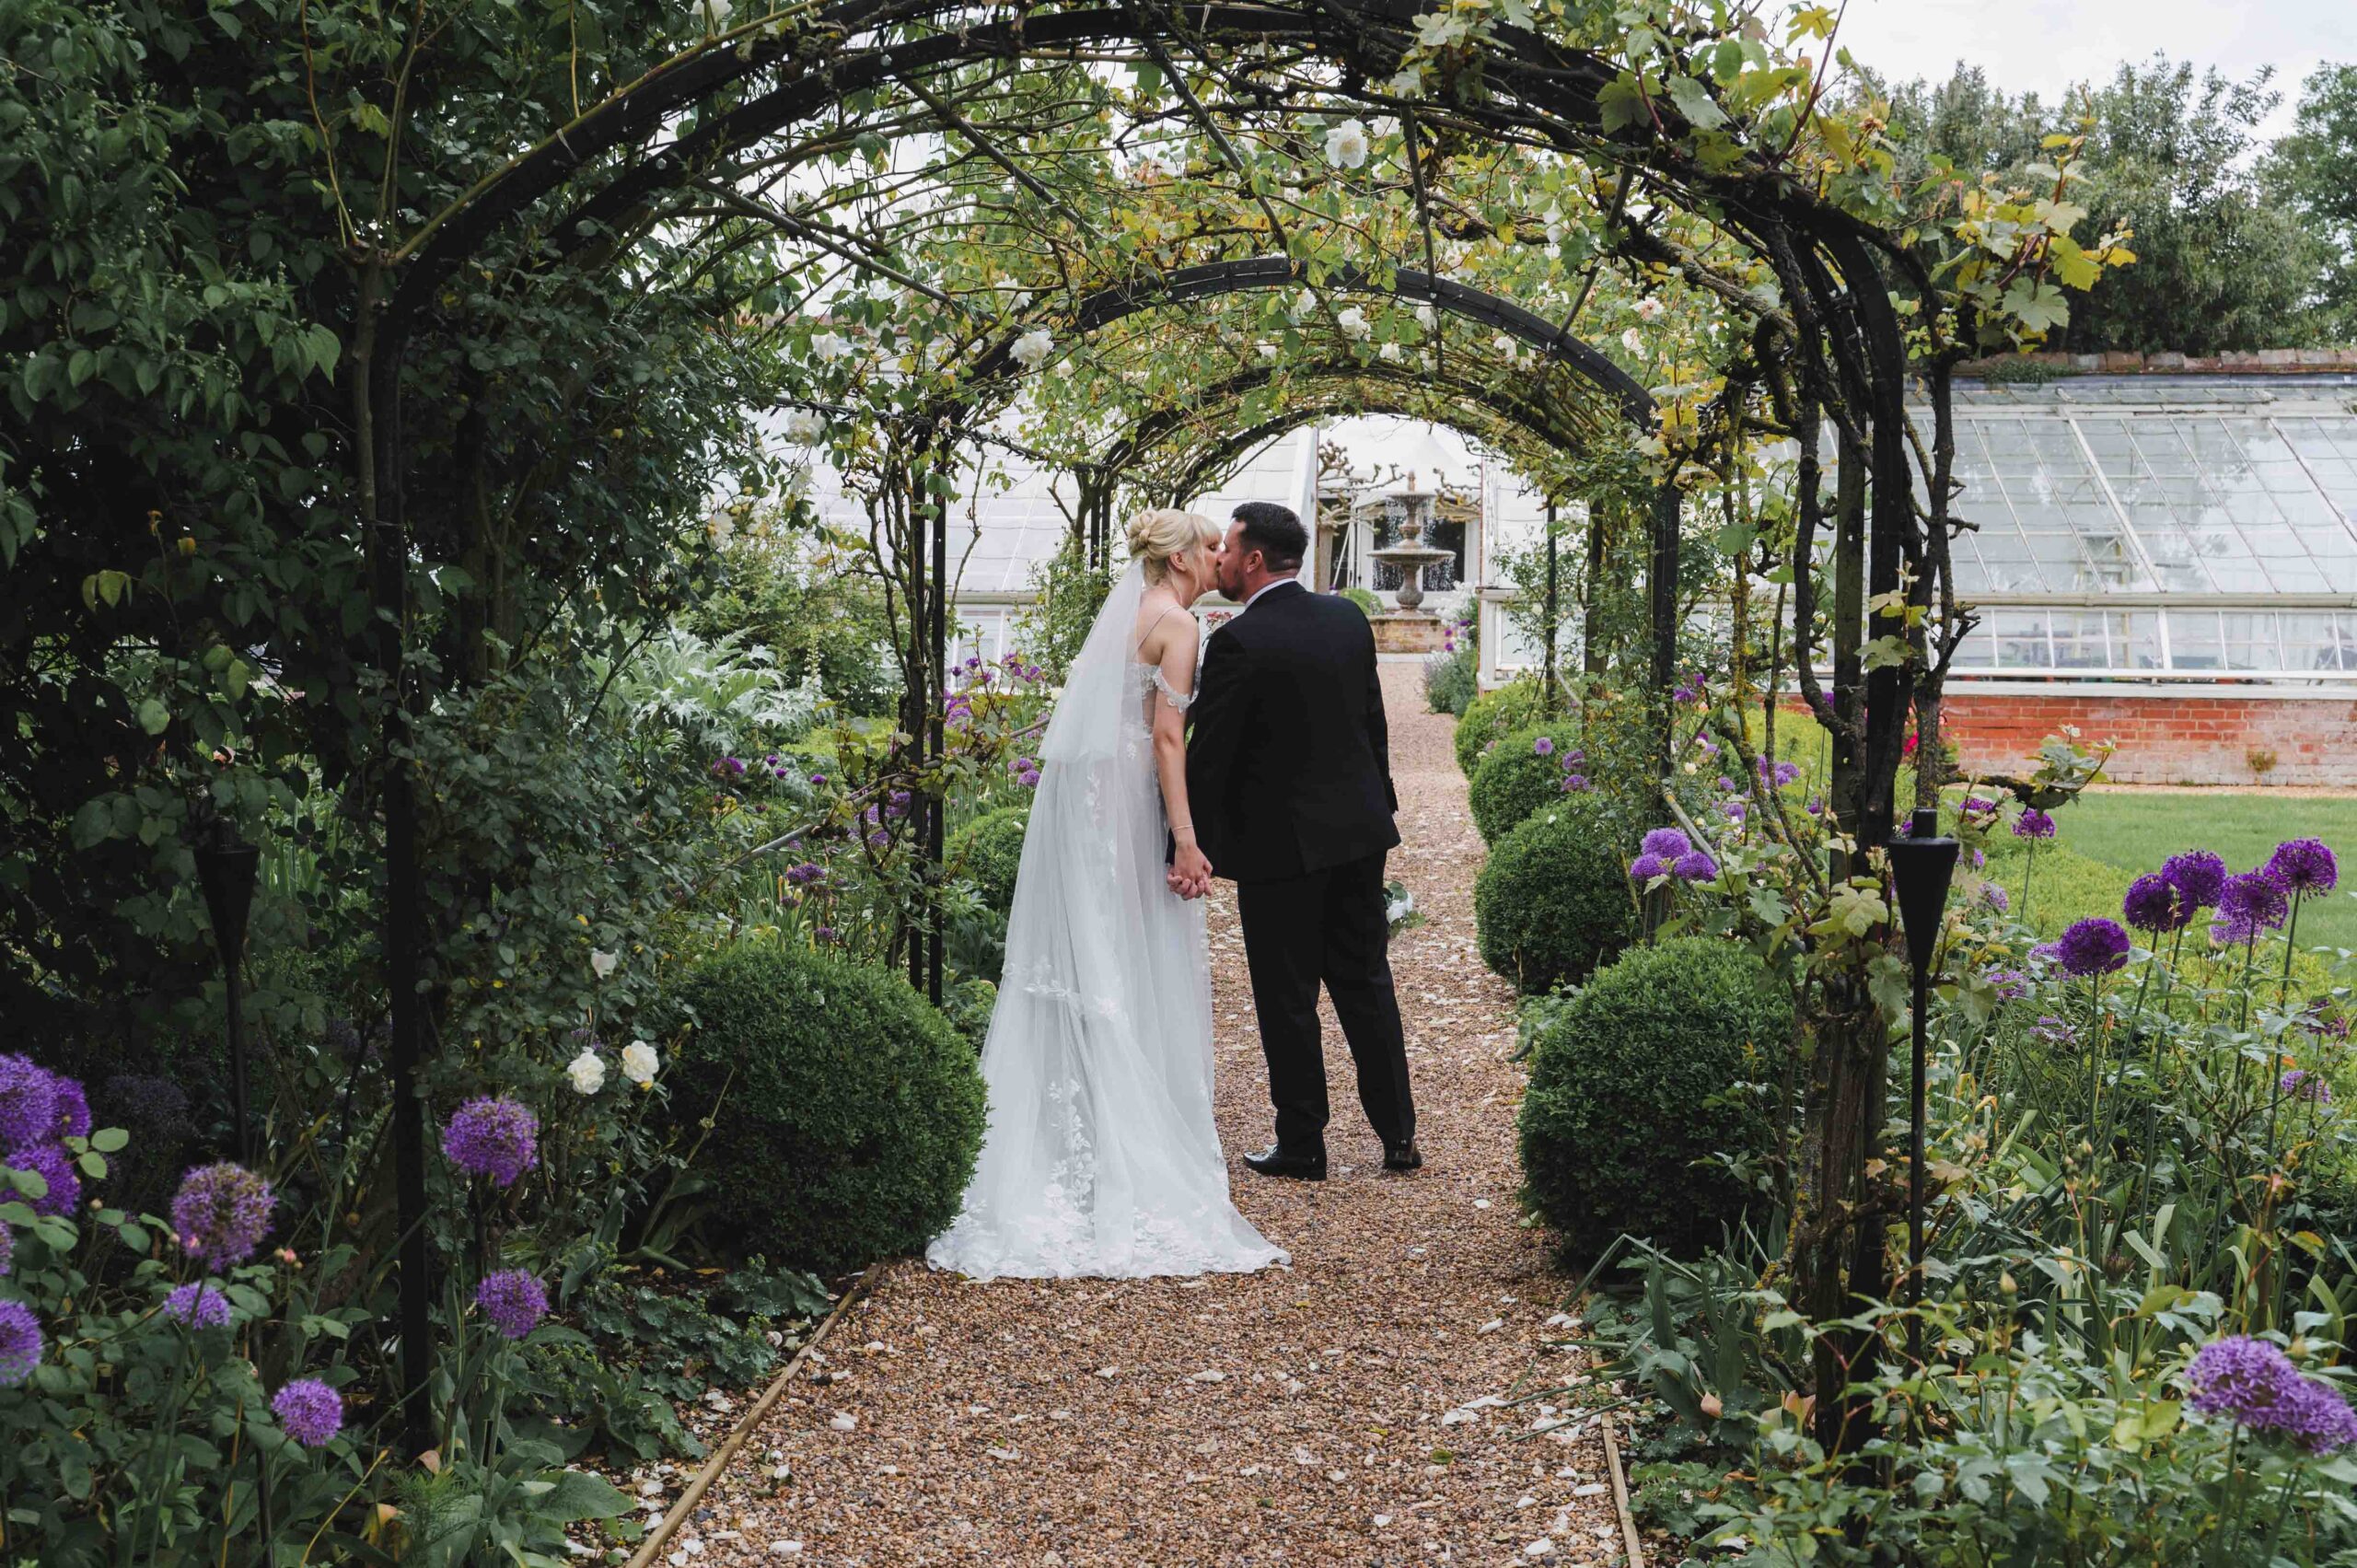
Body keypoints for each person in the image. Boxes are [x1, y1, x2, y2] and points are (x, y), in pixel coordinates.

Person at [925, 509, 1287, 1280]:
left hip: (1080, 802)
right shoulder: (1180, 628)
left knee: (1086, 952)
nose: (1221, 555)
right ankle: (1121, 1144)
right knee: (1125, 951)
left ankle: (1064, 1136)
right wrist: (1186, 840)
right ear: (1184, 557)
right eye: (1212, 546)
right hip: (1125, 800)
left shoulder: (1130, 615)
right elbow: (1165, 738)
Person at [1175, 501, 1420, 1182]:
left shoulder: (1237, 642)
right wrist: (1382, 803)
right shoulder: (1346, 618)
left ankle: (1304, 1143)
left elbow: (1211, 755)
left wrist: (1186, 837)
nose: (1218, 559)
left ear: (1253, 560)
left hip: (1280, 848)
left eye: (1226, 549)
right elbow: (1373, 722)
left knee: (1287, 995)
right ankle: (1398, 1135)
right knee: (1366, 978)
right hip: (1359, 832)